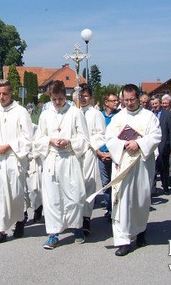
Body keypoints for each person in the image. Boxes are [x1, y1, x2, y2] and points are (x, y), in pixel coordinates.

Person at [105, 84, 161, 256]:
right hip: (123, 164)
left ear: (138, 98)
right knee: (121, 201)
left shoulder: (149, 117)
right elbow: (109, 138)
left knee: (140, 200)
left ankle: (140, 231)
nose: (129, 103)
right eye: (126, 100)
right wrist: (124, 144)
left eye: (132, 99)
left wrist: (139, 143)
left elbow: (156, 136)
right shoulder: (118, 118)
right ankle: (123, 240)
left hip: (141, 165)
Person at [33, 80, 89, 249]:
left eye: (60, 99)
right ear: (50, 97)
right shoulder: (45, 115)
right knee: (52, 198)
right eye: (54, 99)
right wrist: (50, 140)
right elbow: (38, 139)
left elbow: (84, 139)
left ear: (66, 96)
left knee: (75, 196)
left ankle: (77, 227)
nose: (58, 102)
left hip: (70, 159)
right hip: (52, 160)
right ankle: (53, 233)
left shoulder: (75, 113)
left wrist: (69, 141)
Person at [0, 79, 34, 245]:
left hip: (14, 159)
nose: (1, 97)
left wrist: (9, 146)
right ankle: (1, 230)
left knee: (16, 194)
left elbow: (28, 137)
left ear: (11, 93)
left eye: (5, 94)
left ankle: (20, 220)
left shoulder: (20, 112)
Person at [78, 83, 105, 236]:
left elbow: (101, 134)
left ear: (91, 97)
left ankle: (86, 217)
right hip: (74, 153)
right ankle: (76, 218)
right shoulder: (73, 112)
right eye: (80, 95)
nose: (83, 98)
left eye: (86, 96)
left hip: (88, 153)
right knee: (75, 186)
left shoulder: (95, 114)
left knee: (88, 185)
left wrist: (90, 144)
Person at [96, 92, 120, 222]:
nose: (116, 102)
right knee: (106, 183)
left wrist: (113, 153)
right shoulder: (99, 116)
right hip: (101, 154)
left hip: (115, 155)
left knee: (117, 182)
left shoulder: (120, 117)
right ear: (106, 102)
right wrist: (99, 152)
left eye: (117, 100)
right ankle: (109, 208)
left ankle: (117, 208)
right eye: (113, 100)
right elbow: (94, 135)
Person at [150, 96, 171, 195]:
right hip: (152, 146)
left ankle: (165, 186)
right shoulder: (150, 114)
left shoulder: (168, 115)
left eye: (156, 103)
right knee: (152, 168)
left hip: (164, 145)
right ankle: (152, 190)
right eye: (152, 104)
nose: (154, 106)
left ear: (160, 103)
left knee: (164, 168)